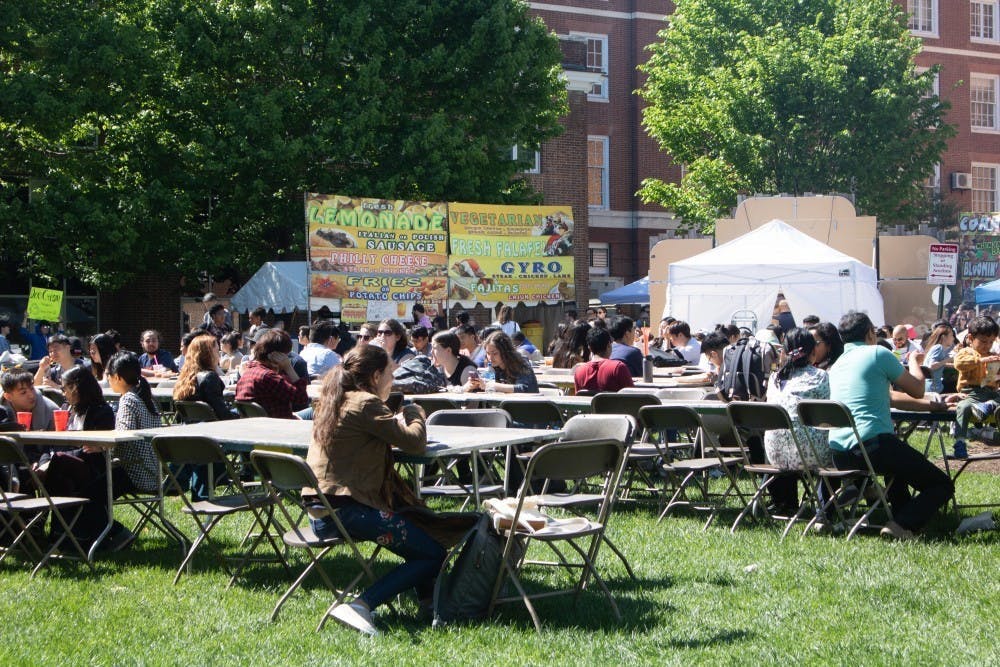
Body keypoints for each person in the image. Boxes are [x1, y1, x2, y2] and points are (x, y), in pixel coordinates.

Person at [305, 345, 445, 635]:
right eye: (391, 374)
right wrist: (415, 412)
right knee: (432, 553)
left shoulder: (333, 399)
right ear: (376, 376)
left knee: (418, 526)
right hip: (346, 512)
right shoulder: (366, 403)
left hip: (320, 511)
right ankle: (361, 605)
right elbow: (414, 443)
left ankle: (430, 604)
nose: (393, 380)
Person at [827, 311, 953, 540]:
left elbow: (890, 397)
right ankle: (902, 524)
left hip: (840, 453)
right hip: (873, 447)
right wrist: (914, 361)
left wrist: (931, 405)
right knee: (942, 484)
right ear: (870, 333)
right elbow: (917, 388)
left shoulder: (837, 365)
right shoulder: (878, 353)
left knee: (898, 460)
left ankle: (900, 514)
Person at [763, 328, 831, 513]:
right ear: (813, 351)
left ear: (784, 352)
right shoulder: (821, 377)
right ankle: (828, 509)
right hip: (813, 455)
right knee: (838, 447)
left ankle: (786, 503)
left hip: (775, 455)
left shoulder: (775, 378)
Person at [952, 316, 1000, 459]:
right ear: (971, 338)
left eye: (991, 342)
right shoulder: (966, 352)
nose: (988, 345)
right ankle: (960, 441)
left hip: (990, 393)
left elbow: (994, 378)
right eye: (984, 341)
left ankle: (989, 406)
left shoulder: (992, 356)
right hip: (971, 393)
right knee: (963, 407)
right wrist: (981, 360)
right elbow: (959, 364)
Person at [235, 329, 309, 419]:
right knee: (315, 411)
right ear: (276, 355)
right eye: (286, 355)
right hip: (281, 423)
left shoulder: (247, 372)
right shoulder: (268, 377)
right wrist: (289, 368)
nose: (287, 358)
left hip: (257, 425)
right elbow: (302, 399)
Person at [173, 336, 237, 422]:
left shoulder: (184, 378)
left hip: (190, 427)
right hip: (213, 427)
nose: (219, 355)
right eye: (217, 351)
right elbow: (223, 415)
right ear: (208, 355)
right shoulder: (210, 378)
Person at [468, 331, 538, 393]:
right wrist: (477, 384)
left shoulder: (521, 363)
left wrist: (494, 386)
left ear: (505, 351)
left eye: (495, 353)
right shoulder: (495, 366)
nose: (490, 358)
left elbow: (526, 389)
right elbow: (488, 384)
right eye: (488, 353)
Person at [573, 328, 634, 394]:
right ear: (609, 345)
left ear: (589, 348)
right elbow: (631, 395)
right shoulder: (618, 368)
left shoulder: (579, 371)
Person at [922, 323, 955, 394]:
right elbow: (932, 366)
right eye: (951, 335)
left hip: (931, 386)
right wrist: (949, 359)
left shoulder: (937, 347)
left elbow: (939, 364)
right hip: (933, 388)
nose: (953, 338)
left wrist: (953, 365)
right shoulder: (938, 347)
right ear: (944, 337)